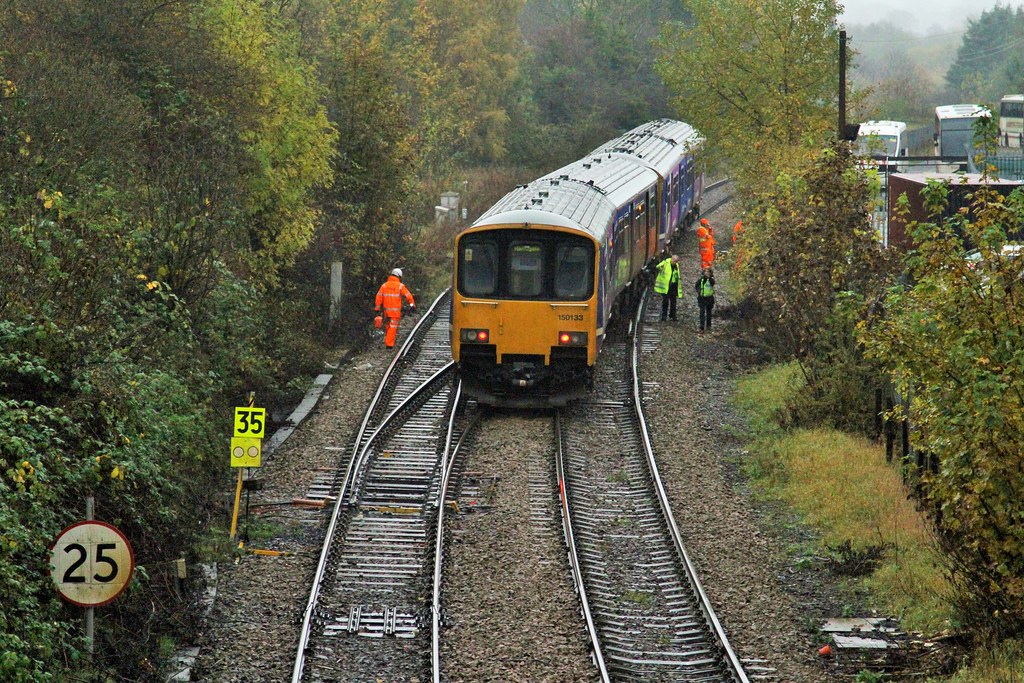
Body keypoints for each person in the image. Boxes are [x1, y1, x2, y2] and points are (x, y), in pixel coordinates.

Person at [374, 268, 416, 348]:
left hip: (386, 311)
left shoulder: (384, 285)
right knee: (393, 327)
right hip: (395, 312)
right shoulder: (400, 286)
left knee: (388, 326)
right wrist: (412, 304)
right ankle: (389, 344)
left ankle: (388, 342)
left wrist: (377, 308)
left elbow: (378, 297)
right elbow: (408, 295)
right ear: (399, 276)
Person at [653, 254, 681, 321]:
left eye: (675, 261)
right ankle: (664, 316)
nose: (674, 262)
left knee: (673, 302)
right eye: (673, 261)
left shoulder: (676, 266)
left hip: (673, 286)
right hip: (666, 286)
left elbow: (677, 275)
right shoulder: (665, 263)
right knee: (665, 302)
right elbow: (657, 267)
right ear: (671, 259)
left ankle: (672, 315)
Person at [695, 266, 715, 332]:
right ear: (703, 273)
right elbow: (696, 286)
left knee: (709, 313)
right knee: (702, 312)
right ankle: (702, 326)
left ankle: (709, 326)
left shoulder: (711, 280)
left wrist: (709, 278)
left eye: (708, 272)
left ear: (710, 273)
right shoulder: (701, 280)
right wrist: (699, 291)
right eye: (705, 272)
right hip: (702, 298)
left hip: (710, 298)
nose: (707, 273)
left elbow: (713, 283)